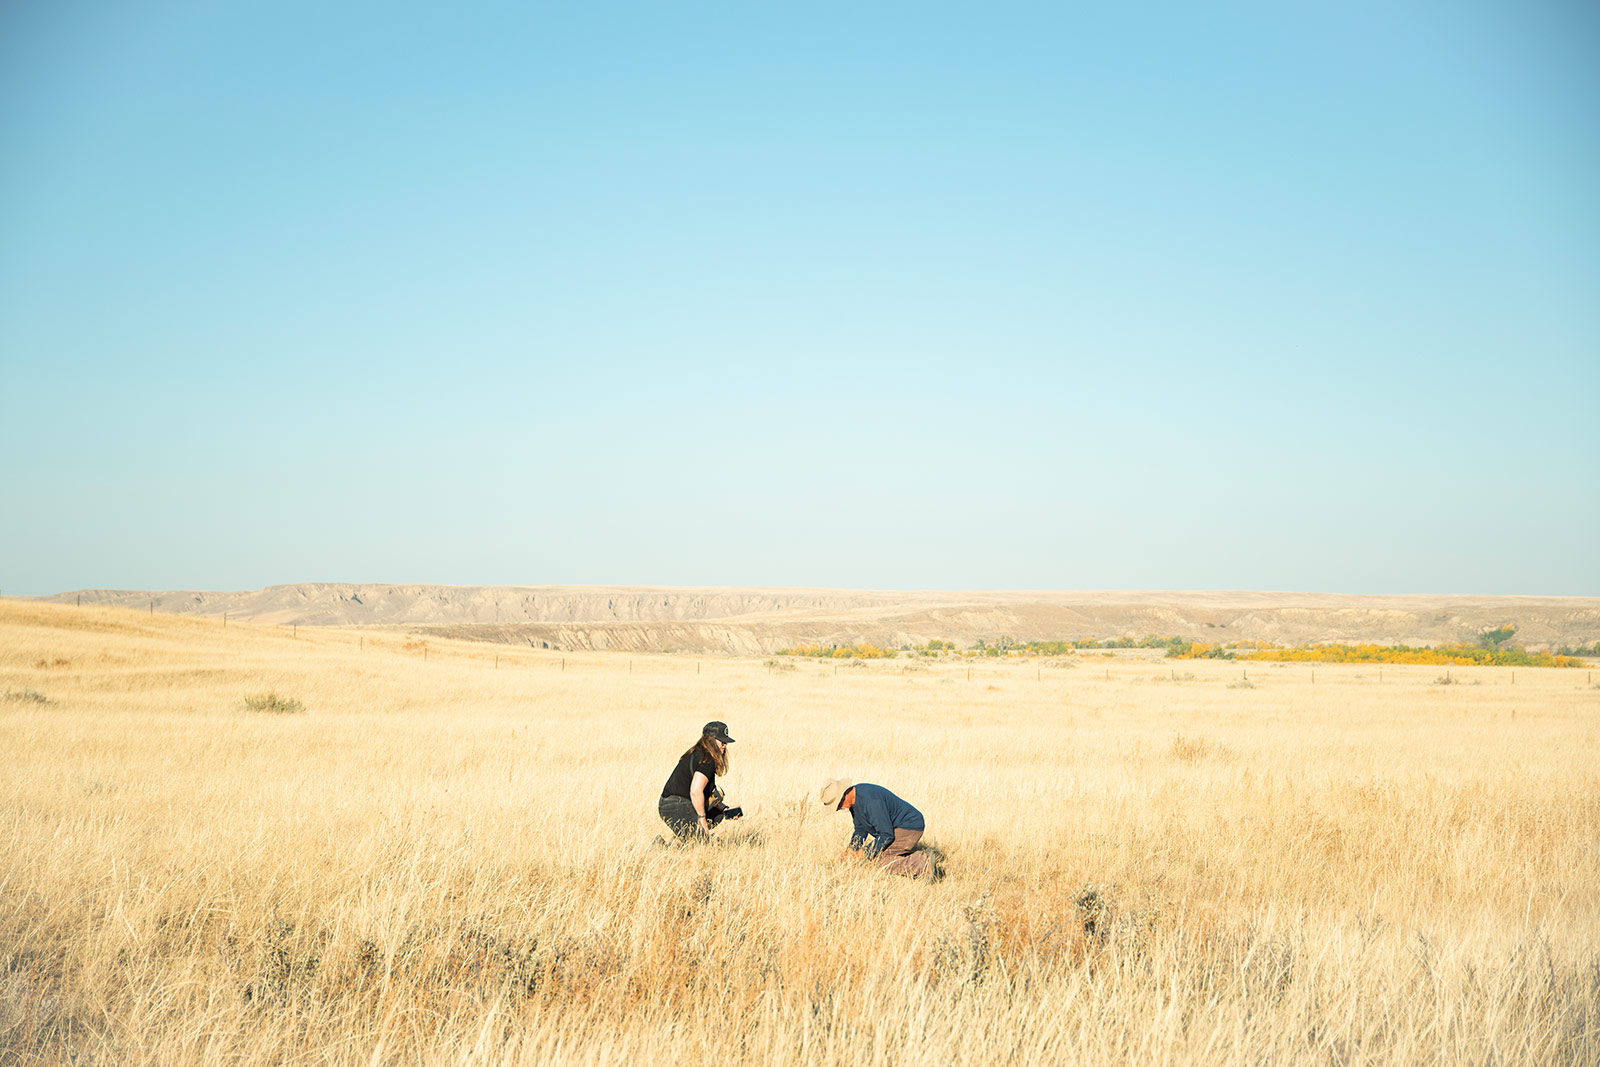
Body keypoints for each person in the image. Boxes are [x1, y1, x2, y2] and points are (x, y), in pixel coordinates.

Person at [819, 778, 929, 877]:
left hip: (909, 826)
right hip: (895, 827)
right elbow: (860, 829)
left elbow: (886, 835)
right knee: (876, 855)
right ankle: (918, 855)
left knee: (880, 861)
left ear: (845, 795)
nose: (838, 809)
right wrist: (851, 850)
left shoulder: (872, 802)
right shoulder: (855, 799)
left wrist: (863, 853)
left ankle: (924, 865)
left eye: (838, 805)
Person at [659, 721, 740, 839]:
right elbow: (696, 791)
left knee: (716, 815)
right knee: (701, 844)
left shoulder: (698, 754)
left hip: (671, 804)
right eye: (722, 741)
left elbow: (706, 794)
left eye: (726, 742)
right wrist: (702, 821)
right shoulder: (707, 760)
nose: (725, 745)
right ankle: (661, 846)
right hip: (676, 804)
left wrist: (726, 809)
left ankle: (676, 843)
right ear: (711, 740)